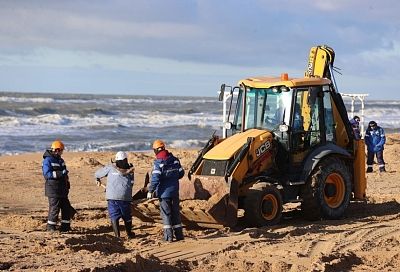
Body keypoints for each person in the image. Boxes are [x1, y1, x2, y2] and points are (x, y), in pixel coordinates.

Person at [147, 140, 185, 242]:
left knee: (166, 214)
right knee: (175, 212)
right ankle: (179, 235)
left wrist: (150, 190)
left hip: (164, 194)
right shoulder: (175, 160)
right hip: (174, 191)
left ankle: (169, 237)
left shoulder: (158, 163)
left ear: (155, 150)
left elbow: (155, 179)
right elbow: (181, 173)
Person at [95, 151, 135, 238]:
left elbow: (97, 174)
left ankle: (117, 236)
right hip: (125, 197)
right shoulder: (131, 169)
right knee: (127, 216)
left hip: (112, 196)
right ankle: (129, 233)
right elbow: (131, 183)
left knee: (114, 215)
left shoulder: (110, 167)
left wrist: (97, 179)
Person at [42, 140, 75, 232]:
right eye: (61, 150)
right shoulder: (47, 160)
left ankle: (65, 227)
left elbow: (65, 174)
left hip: (62, 189)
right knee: (54, 208)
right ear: (56, 150)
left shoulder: (60, 160)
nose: (62, 152)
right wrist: (61, 173)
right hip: (53, 189)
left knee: (66, 208)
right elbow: (47, 174)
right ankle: (51, 227)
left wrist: (67, 183)